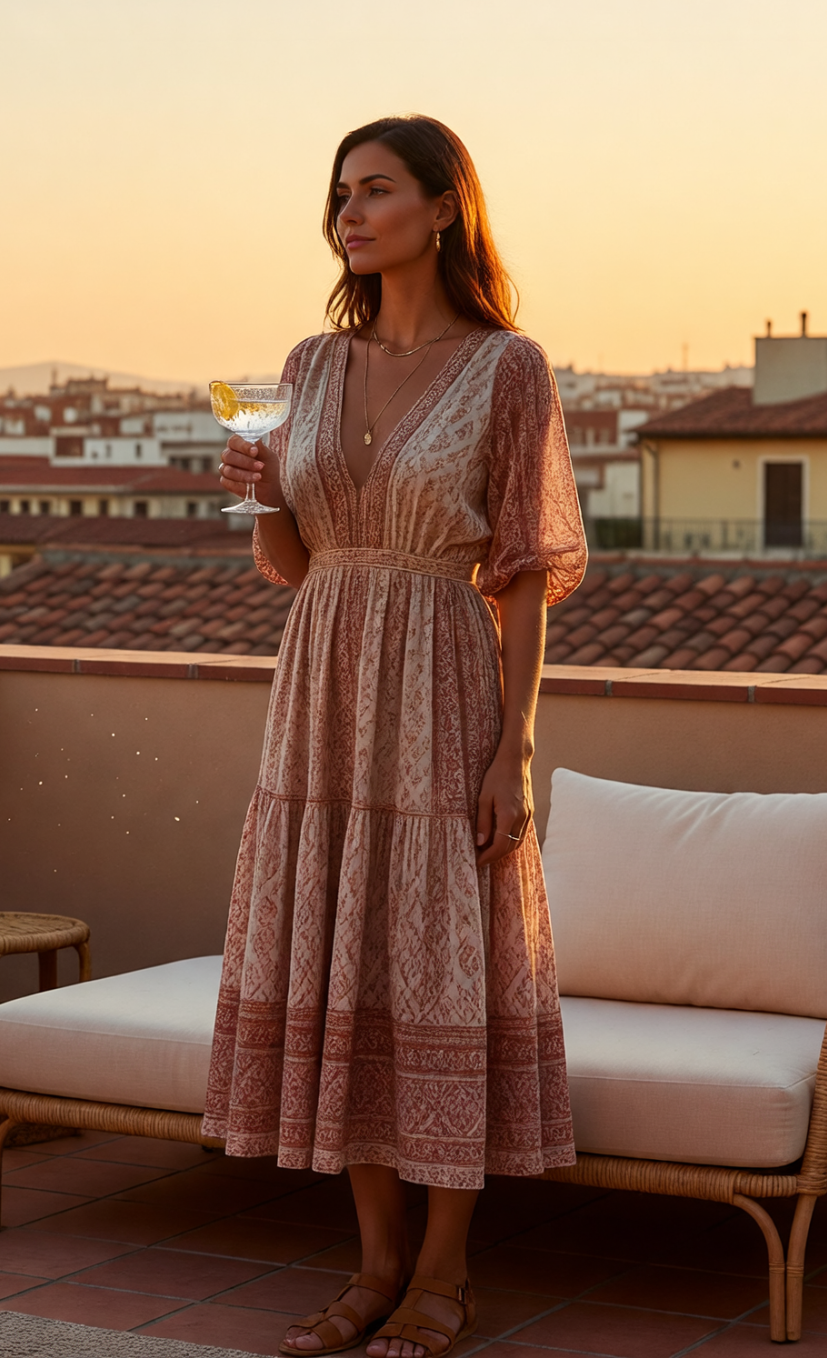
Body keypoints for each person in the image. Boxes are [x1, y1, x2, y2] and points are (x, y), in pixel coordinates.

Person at [205, 114, 586, 1358]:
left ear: (441, 206)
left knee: (441, 962)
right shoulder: (307, 365)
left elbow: (522, 574)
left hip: (440, 681)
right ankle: (373, 1267)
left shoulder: (508, 368)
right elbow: (289, 562)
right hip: (320, 686)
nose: (349, 214)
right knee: (345, 965)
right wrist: (260, 494)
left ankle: (444, 1272)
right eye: (339, 195)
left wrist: (513, 749)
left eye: (375, 190)